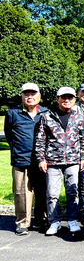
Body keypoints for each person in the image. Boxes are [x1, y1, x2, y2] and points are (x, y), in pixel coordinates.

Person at [36, 87, 84, 236]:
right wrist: (41, 159)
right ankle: (54, 222)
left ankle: (72, 220)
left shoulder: (78, 118)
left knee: (73, 192)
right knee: (52, 193)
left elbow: (83, 140)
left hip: (72, 161)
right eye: (63, 97)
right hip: (53, 161)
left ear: (74, 100)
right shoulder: (47, 116)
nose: (67, 100)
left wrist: (83, 157)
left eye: (70, 98)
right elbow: (40, 140)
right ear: (57, 99)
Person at [5, 83, 49, 235]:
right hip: (21, 160)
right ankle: (22, 223)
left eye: (33, 93)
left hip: (41, 161)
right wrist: (17, 151)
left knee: (42, 192)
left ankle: (41, 220)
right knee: (21, 193)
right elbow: (9, 136)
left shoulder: (46, 113)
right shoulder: (13, 113)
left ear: (39, 96)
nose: (30, 97)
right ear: (22, 96)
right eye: (26, 94)